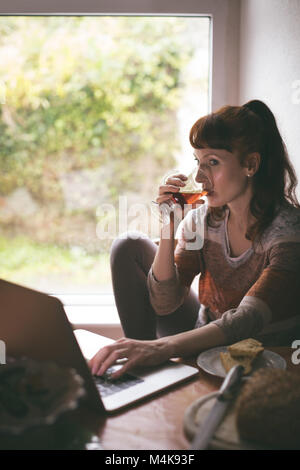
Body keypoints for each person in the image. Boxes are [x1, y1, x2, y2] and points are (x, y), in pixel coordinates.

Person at [89, 99, 300, 379]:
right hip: (207, 336)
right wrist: (169, 226)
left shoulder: (288, 232)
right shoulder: (202, 220)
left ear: (250, 164)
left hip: (266, 357)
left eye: (212, 162)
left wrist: (161, 347)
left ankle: (147, 355)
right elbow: (165, 303)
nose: (200, 177)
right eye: (198, 162)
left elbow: (248, 320)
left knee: (165, 347)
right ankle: (137, 372)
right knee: (127, 245)